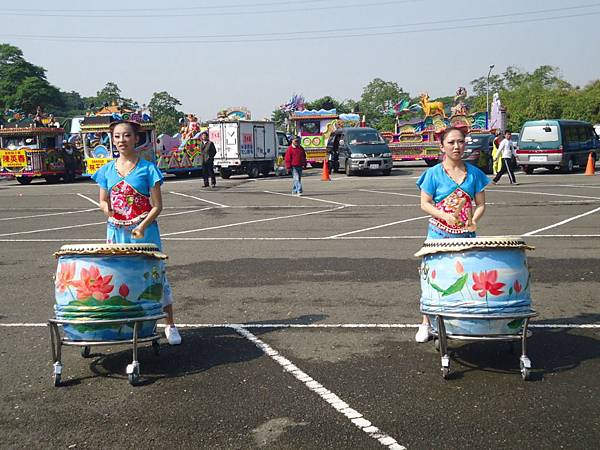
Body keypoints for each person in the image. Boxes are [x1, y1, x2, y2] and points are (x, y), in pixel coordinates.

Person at [91, 121, 182, 345]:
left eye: (127, 136)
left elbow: (157, 206)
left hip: (144, 231)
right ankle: (125, 325)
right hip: (116, 232)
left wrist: (141, 226)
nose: (122, 140)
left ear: (136, 138)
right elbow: (103, 200)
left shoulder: (148, 169)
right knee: (119, 277)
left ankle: (169, 324)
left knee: (154, 274)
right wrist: (107, 211)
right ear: (112, 140)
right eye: (117, 136)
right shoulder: (106, 170)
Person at [415, 127, 489, 342]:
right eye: (451, 142)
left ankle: (462, 320)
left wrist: (474, 220)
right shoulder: (433, 174)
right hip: (438, 234)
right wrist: (443, 216)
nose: (457, 146)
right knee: (432, 277)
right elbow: (424, 204)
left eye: (461, 141)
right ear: (442, 146)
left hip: (465, 236)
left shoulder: (475, 174)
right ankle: (426, 323)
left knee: (464, 277)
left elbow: (481, 204)